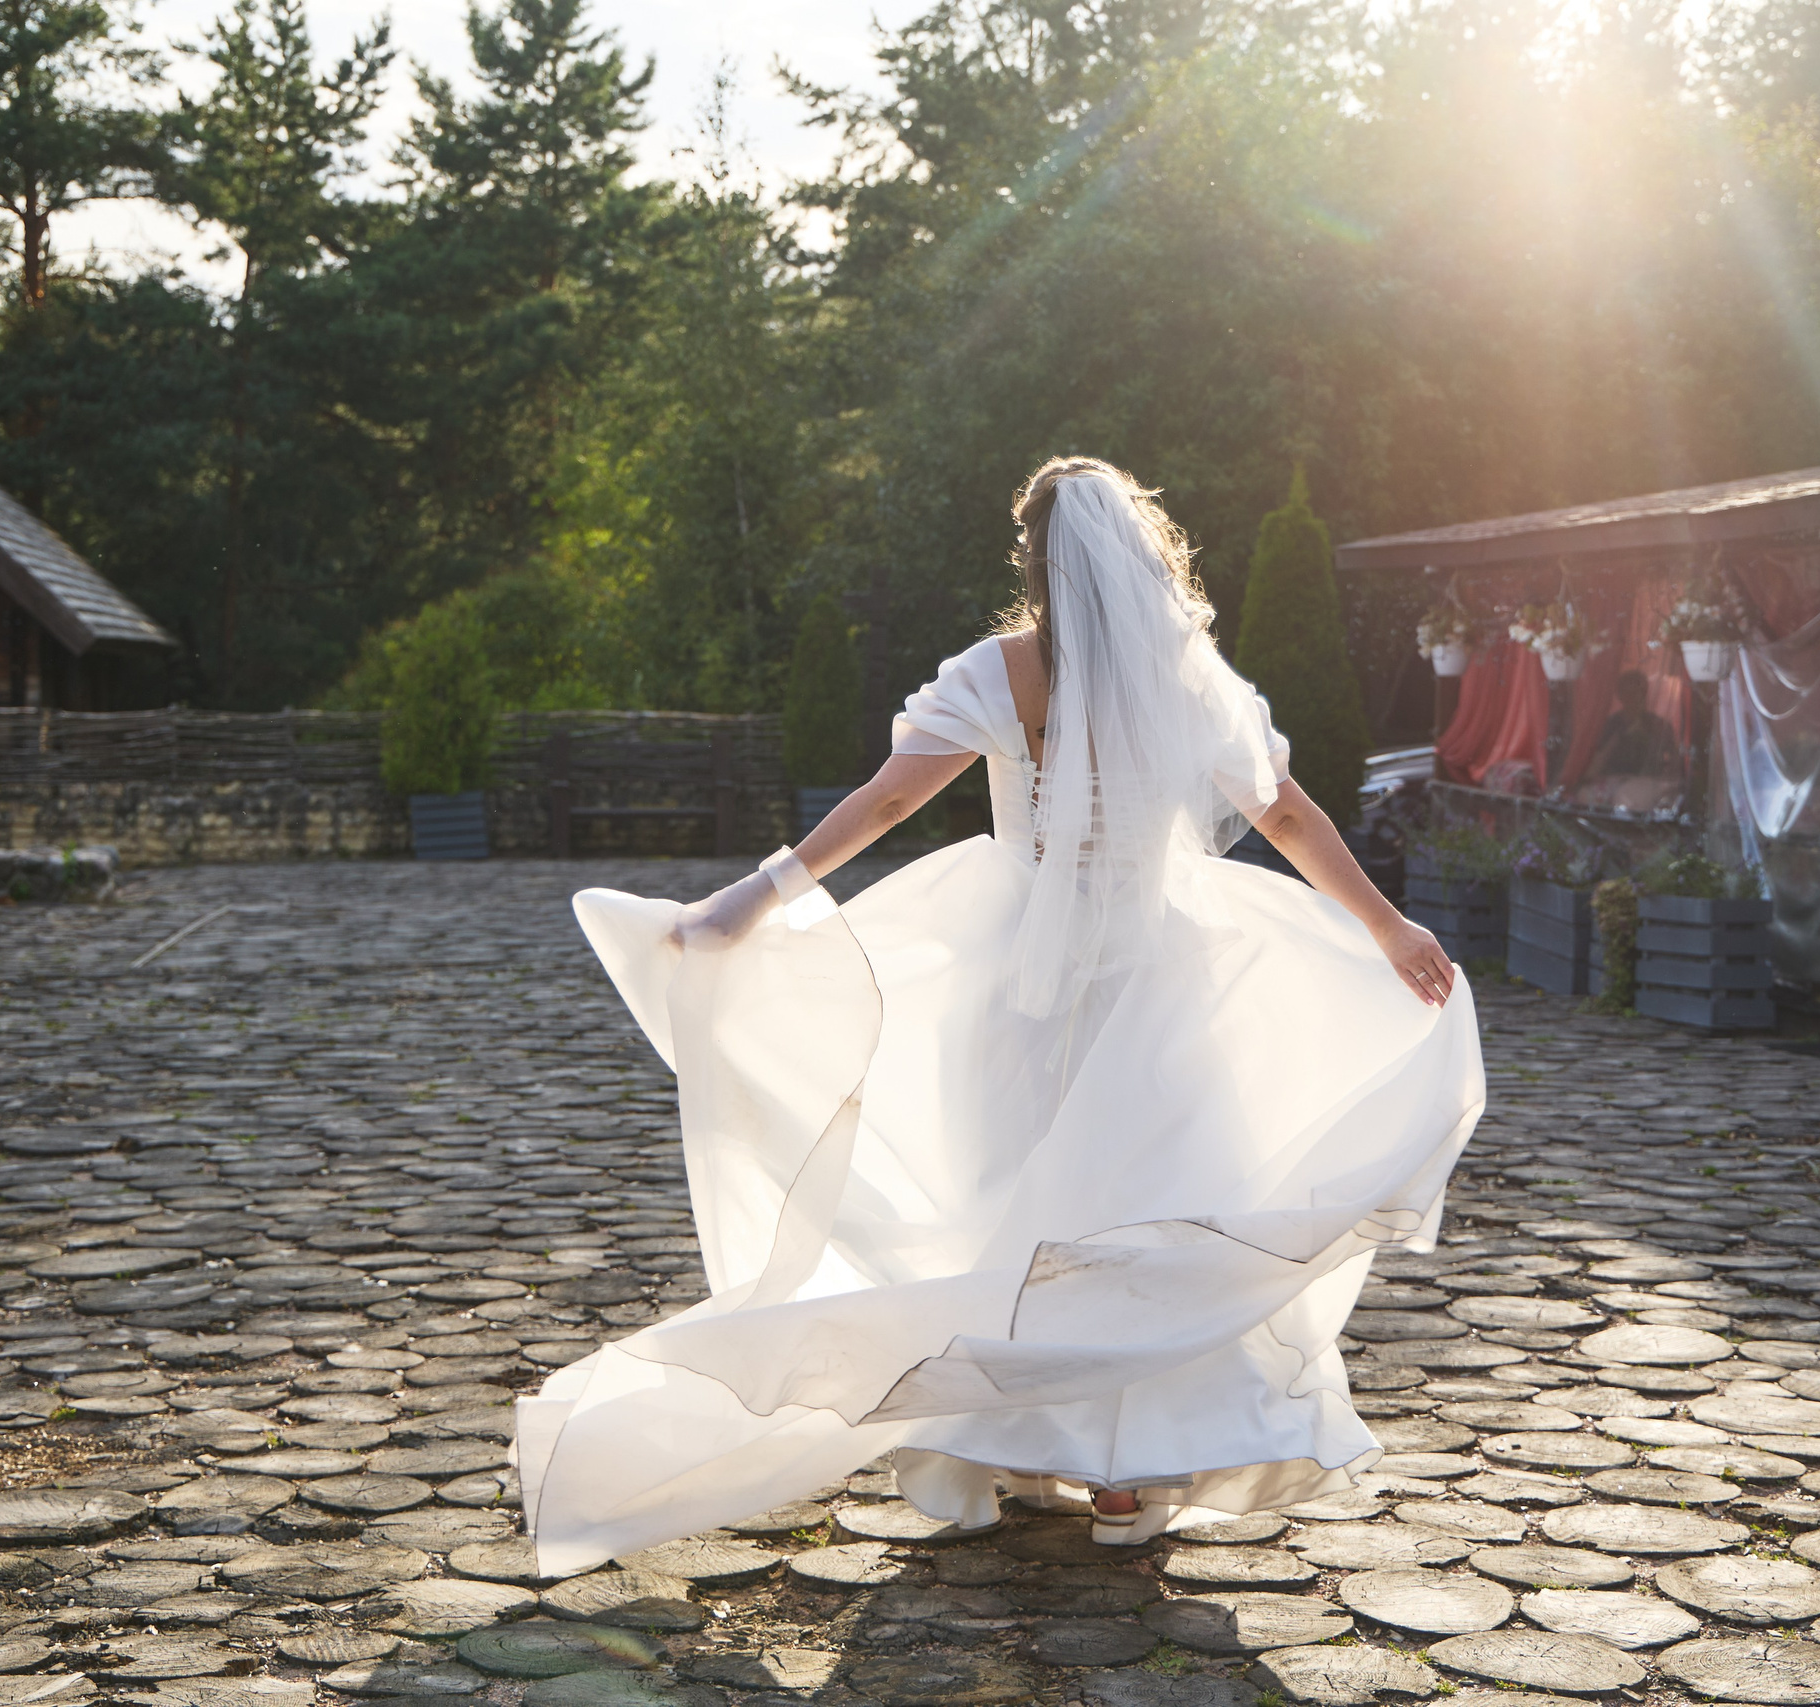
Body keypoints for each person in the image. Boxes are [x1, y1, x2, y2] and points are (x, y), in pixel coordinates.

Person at [516, 458, 1485, 1573]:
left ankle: (1019, 1455)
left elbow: (889, 797)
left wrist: (755, 896)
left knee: (1015, 1214)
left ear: (1034, 559)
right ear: (1141, 555)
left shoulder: (1002, 669)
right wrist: (1385, 930)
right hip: (1164, 975)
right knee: (1148, 1216)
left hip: (1021, 985)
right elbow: (1286, 813)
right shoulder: (1191, 676)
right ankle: (1120, 1480)